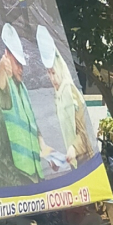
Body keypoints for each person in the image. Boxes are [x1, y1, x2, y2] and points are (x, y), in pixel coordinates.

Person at [0, 23, 51, 180]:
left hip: (36, 172)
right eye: (17, 63)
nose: (20, 69)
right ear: (7, 55)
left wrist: (44, 147)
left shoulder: (23, 88)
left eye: (21, 64)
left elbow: (32, 124)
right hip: (20, 173)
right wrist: (2, 65)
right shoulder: (6, 86)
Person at [37, 25, 94, 168]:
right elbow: (64, 132)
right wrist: (55, 159)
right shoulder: (58, 96)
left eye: (53, 73)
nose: (52, 78)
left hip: (87, 161)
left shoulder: (70, 91)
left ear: (60, 69)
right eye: (48, 73)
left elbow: (83, 132)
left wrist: (73, 149)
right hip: (75, 164)